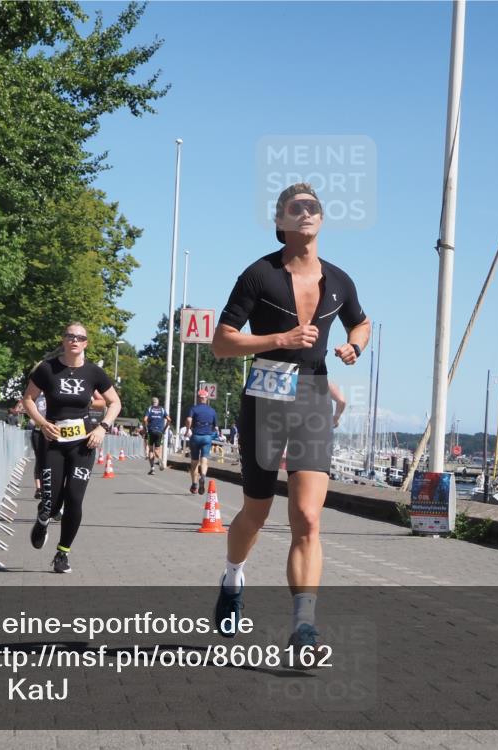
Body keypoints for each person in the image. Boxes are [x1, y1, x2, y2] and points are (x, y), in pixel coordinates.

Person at [210, 183, 370, 658]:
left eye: (313, 207)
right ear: (281, 222)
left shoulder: (339, 280)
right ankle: (233, 575)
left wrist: (354, 346)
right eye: (295, 207)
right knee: (255, 511)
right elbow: (222, 342)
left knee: (306, 516)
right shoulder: (260, 274)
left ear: (321, 220)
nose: (305, 212)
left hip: (313, 399)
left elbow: (362, 321)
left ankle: (304, 628)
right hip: (264, 398)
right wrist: (279, 339)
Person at [22, 322, 121, 574]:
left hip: (84, 443)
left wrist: (102, 428)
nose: (74, 340)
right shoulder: (47, 369)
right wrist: (42, 423)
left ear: (86, 343)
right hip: (53, 441)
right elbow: (28, 399)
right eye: (70, 336)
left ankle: (62, 553)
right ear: (64, 340)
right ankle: (44, 518)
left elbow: (114, 403)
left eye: (80, 337)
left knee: (75, 498)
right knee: (52, 502)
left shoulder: (94, 373)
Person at [186, 388, 219, 494]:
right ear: (206, 399)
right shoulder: (212, 411)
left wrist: (187, 429)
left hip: (196, 436)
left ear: (198, 398)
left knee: (194, 462)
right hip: (207, 437)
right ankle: (203, 476)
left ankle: (194, 485)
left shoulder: (194, 409)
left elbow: (189, 420)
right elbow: (216, 428)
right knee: (204, 460)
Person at [144, 397, 170, 474]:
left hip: (151, 431)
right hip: (159, 431)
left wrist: (146, 428)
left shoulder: (150, 409)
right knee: (157, 450)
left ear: (152, 402)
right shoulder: (162, 409)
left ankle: (152, 468)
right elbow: (169, 419)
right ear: (158, 403)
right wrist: (164, 429)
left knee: (151, 450)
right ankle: (159, 458)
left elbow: (145, 419)